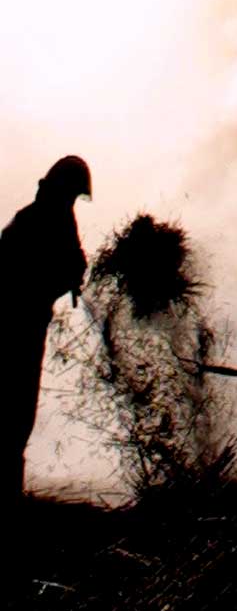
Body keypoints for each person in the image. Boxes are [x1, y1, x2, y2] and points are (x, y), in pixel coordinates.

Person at [2, 156, 91, 501]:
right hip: (13, 329)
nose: (73, 202)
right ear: (62, 188)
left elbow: (74, 258)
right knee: (11, 413)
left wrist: (73, 271)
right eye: (72, 194)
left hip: (30, 327)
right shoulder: (33, 221)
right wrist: (62, 277)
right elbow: (21, 278)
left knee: (19, 416)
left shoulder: (58, 218)